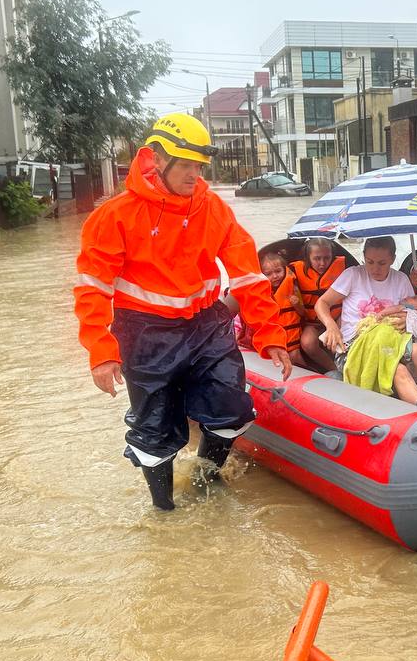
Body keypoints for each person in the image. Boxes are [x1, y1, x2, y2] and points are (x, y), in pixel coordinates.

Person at [74, 113, 290, 511]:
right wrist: (102, 352)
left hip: (206, 324)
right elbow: (93, 289)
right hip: (144, 333)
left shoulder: (213, 209)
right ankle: (164, 510)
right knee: (155, 430)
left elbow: (248, 276)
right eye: (186, 165)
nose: (194, 175)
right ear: (156, 158)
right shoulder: (115, 215)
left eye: (199, 166)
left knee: (231, 408)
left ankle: (206, 480)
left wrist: (270, 334)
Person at [315, 236, 417, 403]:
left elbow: (412, 312)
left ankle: (410, 396)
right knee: (398, 370)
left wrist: (407, 319)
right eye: (369, 262)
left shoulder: (400, 279)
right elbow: (322, 303)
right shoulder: (353, 275)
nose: (375, 269)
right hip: (355, 346)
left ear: (393, 259)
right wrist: (331, 326)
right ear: (364, 256)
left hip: (391, 341)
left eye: (382, 263)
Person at [291, 238, 345, 373]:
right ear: (308, 258)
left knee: (343, 339)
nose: (322, 263)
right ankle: (334, 369)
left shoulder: (344, 269)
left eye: (327, 258)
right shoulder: (295, 271)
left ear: (332, 256)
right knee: (307, 343)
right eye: (317, 258)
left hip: (337, 318)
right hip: (312, 323)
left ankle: (347, 365)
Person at [260, 250, 307, 369]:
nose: (275, 276)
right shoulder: (261, 293)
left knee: (295, 356)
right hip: (275, 338)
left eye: (278, 271)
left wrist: (297, 304)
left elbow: (303, 313)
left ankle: (313, 373)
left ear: (285, 269)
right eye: (268, 274)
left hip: (292, 339)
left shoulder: (293, 288)